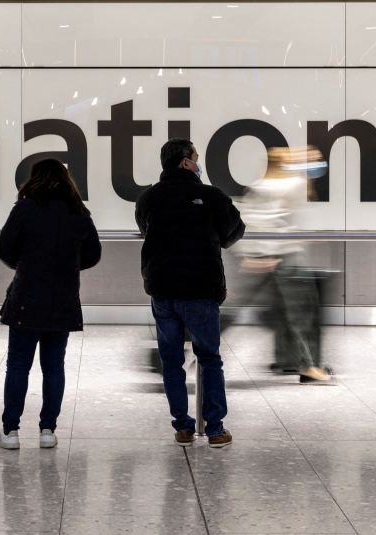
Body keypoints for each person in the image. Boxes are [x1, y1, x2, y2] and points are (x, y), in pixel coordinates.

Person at [135, 139, 245, 448]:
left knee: (171, 360)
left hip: (163, 291)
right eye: (196, 158)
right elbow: (233, 232)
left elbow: (147, 230)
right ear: (186, 162)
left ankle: (183, 428)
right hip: (200, 291)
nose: (199, 163)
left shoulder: (148, 198)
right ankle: (215, 429)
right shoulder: (212, 197)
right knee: (209, 358)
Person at [0, 158, 101, 450]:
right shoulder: (79, 212)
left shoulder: (25, 209)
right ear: (67, 180)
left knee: (18, 366)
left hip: (26, 299)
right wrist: (67, 265)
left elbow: (3, 248)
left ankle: (10, 432)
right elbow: (93, 255)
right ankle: (47, 431)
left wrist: (25, 264)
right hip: (63, 299)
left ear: (34, 179)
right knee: (54, 368)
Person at [232, 147, 334, 384]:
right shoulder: (293, 184)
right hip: (283, 256)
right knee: (304, 312)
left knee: (234, 308)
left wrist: (256, 255)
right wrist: (269, 255)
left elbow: (254, 219)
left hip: (259, 253)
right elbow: (272, 220)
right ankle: (308, 366)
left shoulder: (259, 184)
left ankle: (175, 348)